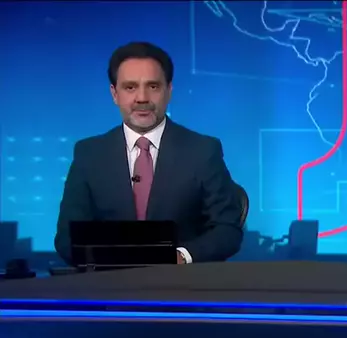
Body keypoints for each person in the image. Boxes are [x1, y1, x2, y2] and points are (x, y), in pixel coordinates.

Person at [55, 42, 244, 265]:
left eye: (153, 86)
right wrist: (112, 260)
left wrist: (181, 257)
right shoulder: (89, 154)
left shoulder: (203, 150)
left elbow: (227, 230)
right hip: (109, 281)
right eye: (130, 87)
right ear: (114, 94)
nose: (142, 98)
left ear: (169, 91)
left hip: (181, 280)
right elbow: (66, 238)